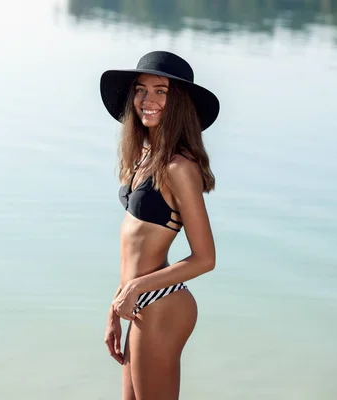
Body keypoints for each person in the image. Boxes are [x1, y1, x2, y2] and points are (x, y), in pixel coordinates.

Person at [100, 51, 220, 400]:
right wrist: (114, 309)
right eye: (141, 89)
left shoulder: (179, 168)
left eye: (160, 91)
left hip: (162, 303)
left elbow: (205, 258)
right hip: (138, 301)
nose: (147, 100)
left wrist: (135, 288)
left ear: (178, 102)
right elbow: (134, 247)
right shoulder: (144, 159)